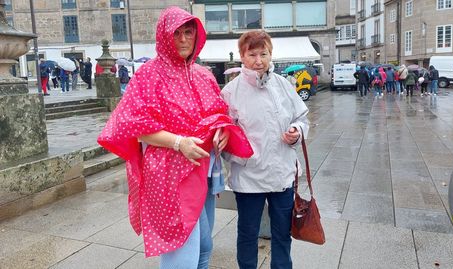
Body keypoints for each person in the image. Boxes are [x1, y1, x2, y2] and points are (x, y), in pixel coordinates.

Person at [97, 7, 252, 268]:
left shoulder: (203, 74)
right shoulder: (149, 74)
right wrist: (179, 143)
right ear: (164, 36)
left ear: (196, 35)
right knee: (182, 252)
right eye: (176, 33)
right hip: (170, 178)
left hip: (204, 171)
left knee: (204, 246)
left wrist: (222, 129)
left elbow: (218, 112)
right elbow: (132, 125)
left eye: (188, 32)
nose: (183, 39)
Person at [221, 30, 309, 269]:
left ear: (271, 55)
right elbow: (223, 134)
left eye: (264, 54)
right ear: (242, 56)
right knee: (248, 234)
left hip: (282, 174)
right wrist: (240, 156)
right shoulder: (230, 92)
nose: (258, 60)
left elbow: (301, 117)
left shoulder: (283, 85)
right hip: (248, 176)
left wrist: (296, 132)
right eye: (252, 54)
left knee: (282, 234)